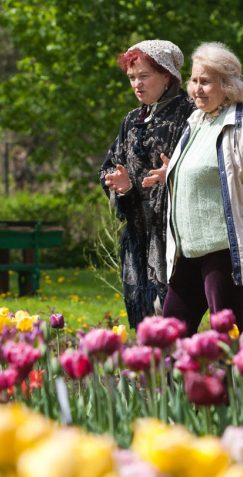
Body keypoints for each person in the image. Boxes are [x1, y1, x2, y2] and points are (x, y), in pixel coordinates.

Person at [151, 42, 243, 333]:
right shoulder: (195, 124)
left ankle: (230, 381)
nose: (196, 89)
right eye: (193, 80)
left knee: (225, 338)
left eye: (205, 81)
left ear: (227, 86)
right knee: (170, 337)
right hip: (187, 252)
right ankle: (176, 381)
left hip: (225, 252)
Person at [100, 40, 195, 329]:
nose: (136, 85)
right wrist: (119, 184)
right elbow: (110, 165)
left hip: (175, 237)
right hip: (138, 235)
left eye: (144, 76)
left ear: (167, 76)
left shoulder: (190, 115)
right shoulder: (131, 120)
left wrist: (174, 174)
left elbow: (201, 172)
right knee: (147, 327)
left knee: (177, 325)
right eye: (132, 78)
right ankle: (154, 375)